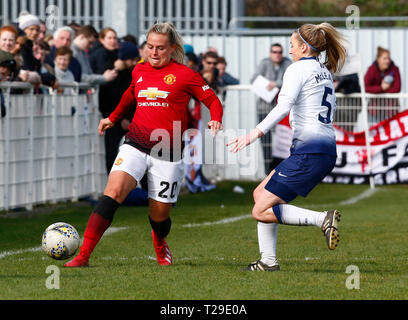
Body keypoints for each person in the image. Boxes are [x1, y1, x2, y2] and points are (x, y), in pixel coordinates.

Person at [64, 22, 223, 268]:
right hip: (135, 144)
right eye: (150, 47)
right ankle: (83, 255)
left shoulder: (185, 74)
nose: (154, 53)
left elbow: (212, 99)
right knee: (112, 194)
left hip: (168, 151)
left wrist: (216, 119)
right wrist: (112, 118)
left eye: (160, 48)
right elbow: (130, 94)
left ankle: (160, 242)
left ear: (171, 49)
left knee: (159, 216)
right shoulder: (139, 70)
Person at [227, 22, 347, 272]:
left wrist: (253, 134)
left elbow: (283, 106)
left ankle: (322, 219)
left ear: (304, 47)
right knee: (260, 195)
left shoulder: (297, 69)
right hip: (320, 150)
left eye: (292, 45)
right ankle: (268, 261)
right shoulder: (323, 71)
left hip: (309, 151)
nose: (290, 50)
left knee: (260, 210)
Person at [250, 43, 292, 174]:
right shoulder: (264, 63)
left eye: (279, 52)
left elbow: (290, 80)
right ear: (270, 53)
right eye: (274, 52)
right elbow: (254, 80)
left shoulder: (287, 63)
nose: (277, 54)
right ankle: (268, 173)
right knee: (266, 142)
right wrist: (270, 85)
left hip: (281, 109)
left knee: (284, 141)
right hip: (264, 107)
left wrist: (275, 84)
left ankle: (283, 171)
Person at [89, 27, 123, 174]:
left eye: (114, 37)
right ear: (102, 40)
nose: (113, 40)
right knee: (110, 149)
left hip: (118, 107)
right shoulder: (98, 55)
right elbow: (99, 74)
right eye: (109, 38)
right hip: (105, 107)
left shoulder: (119, 55)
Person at [364, 46, 401, 123]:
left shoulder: (395, 69)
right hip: (374, 110)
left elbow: (397, 88)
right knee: (373, 131)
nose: (387, 61)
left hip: (391, 110)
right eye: (384, 58)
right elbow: (364, 87)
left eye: (388, 58)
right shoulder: (372, 69)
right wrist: (381, 88)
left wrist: (383, 89)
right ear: (378, 59)